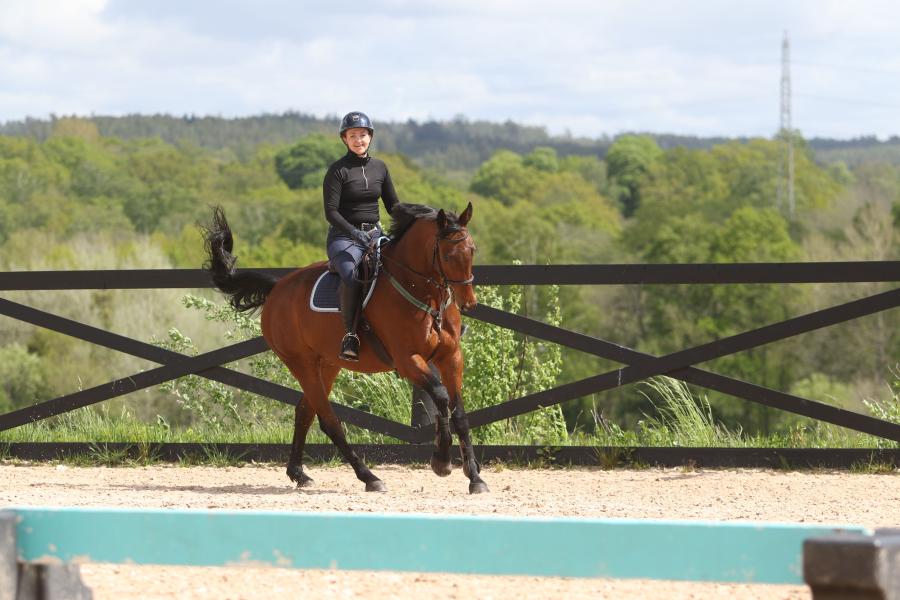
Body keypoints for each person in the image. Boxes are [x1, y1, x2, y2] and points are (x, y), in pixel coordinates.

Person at [323, 111, 399, 361]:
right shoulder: (337, 171)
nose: (358, 140)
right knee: (352, 276)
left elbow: (393, 206)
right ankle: (350, 335)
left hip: (375, 234)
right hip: (343, 237)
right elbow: (331, 212)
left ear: (370, 137)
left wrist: (421, 216)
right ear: (345, 139)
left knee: (405, 267)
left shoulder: (380, 167)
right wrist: (355, 232)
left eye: (363, 135)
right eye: (353, 135)